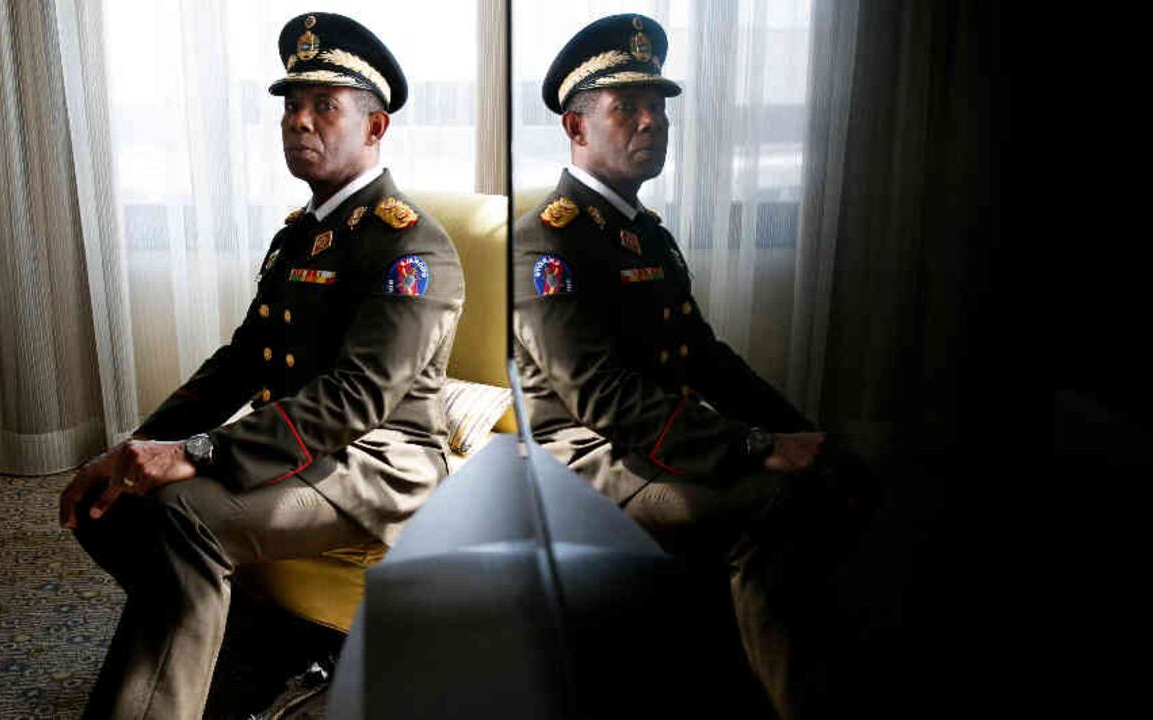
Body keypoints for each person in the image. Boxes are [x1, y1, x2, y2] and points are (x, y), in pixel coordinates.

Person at [58, 12, 463, 718]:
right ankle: (261, 651)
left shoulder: (409, 248)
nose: (298, 121)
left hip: (381, 463)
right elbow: (242, 362)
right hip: (301, 448)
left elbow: (353, 401)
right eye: (290, 106)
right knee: (108, 507)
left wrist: (198, 453)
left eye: (323, 107)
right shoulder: (301, 238)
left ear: (375, 128)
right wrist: (134, 448)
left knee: (180, 513)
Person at [513, 14, 880, 719]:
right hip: (584, 457)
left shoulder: (644, 234)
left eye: (659, 107)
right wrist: (755, 447)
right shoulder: (546, 241)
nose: (652, 122)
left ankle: (793, 664)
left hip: (660, 442)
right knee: (772, 503)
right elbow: (604, 399)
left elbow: (704, 358)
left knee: (841, 472)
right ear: (576, 126)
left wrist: (801, 433)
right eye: (628, 108)